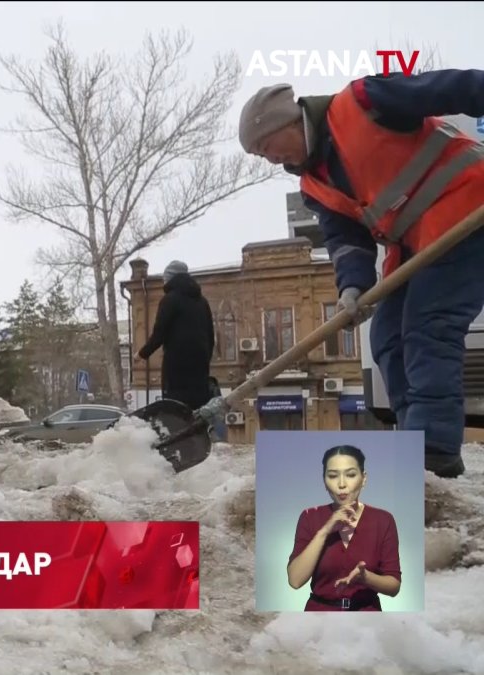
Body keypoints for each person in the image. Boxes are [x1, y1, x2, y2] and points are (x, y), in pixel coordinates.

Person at [234, 70, 484, 479]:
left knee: (427, 326)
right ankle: (415, 439)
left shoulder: (364, 102)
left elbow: (455, 87)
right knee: (387, 335)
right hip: (417, 243)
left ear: (287, 122)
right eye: (260, 155)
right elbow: (347, 241)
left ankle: (434, 450)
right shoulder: (315, 187)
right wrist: (352, 285)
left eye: (266, 146)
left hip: (468, 209)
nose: (269, 158)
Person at [286, 445, 401, 611]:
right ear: (324, 481)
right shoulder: (310, 517)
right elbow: (295, 580)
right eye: (332, 476)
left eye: (351, 475)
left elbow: (394, 586)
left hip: (367, 618)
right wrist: (325, 531)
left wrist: (366, 578)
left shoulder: (383, 520)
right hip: (318, 617)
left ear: (364, 478)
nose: (341, 484)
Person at [135, 260, 215, 411]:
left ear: (169, 279)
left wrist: (141, 354)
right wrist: (205, 360)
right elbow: (211, 337)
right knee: (198, 413)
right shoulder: (202, 302)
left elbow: (159, 334)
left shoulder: (170, 300)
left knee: (175, 412)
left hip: (177, 368)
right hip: (200, 369)